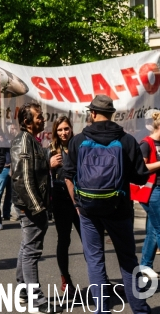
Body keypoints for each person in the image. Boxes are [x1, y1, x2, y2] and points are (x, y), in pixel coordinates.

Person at [65, 95, 159, 314]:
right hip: (119, 208)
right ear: (112, 114)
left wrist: (77, 204)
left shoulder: (78, 140)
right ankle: (140, 309)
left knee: (95, 261)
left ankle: (102, 310)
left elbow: (68, 175)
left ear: (93, 113)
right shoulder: (126, 140)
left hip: (87, 209)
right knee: (128, 260)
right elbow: (140, 177)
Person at [11, 102, 59, 313]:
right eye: (39, 117)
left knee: (26, 247)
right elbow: (22, 178)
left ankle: (23, 290)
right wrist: (37, 207)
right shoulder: (23, 141)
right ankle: (36, 298)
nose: (43, 119)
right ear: (27, 121)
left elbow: (35, 170)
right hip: (30, 206)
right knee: (31, 251)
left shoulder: (32, 140)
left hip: (33, 204)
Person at [48, 116, 80, 296]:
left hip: (80, 200)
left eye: (66, 128)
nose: (63, 132)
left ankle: (100, 279)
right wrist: (49, 165)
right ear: (55, 131)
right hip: (61, 200)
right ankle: (65, 279)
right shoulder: (52, 150)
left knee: (89, 240)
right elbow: (41, 173)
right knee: (64, 240)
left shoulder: (78, 146)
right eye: (60, 130)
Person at [138, 110, 160, 279]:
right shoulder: (146, 143)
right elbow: (142, 168)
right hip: (152, 191)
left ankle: (145, 266)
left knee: (153, 229)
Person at [0, 133, 12, 221]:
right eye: (0, 136)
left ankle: (6, 213)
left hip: (11, 168)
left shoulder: (9, 143)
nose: (2, 138)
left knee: (9, 193)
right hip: (3, 169)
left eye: (3, 136)